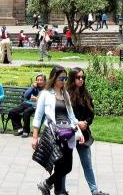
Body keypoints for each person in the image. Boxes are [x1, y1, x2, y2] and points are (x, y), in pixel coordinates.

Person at [32, 66, 83, 195]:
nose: (63, 81)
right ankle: (59, 191)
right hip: (54, 133)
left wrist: (79, 132)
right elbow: (38, 116)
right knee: (60, 164)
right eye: (61, 78)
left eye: (65, 78)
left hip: (68, 133)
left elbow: (71, 116)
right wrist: (34, 137)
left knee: (68, 166)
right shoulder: (45, 94)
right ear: (54, 78)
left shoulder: (65, 94)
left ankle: (47, 184)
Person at [65, 67, 109, 195]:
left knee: (87, 165)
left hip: (82, 134)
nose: (81, 80)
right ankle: (60, 190)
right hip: (69, 134)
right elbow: (64, 115)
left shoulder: (85, 95)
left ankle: (94, 191)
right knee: (65, 165)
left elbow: (91, 114)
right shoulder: (66, 94)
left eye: (83, 77)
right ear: (72, 79)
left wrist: (86, 122)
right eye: (78, 77)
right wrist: (77, 123)